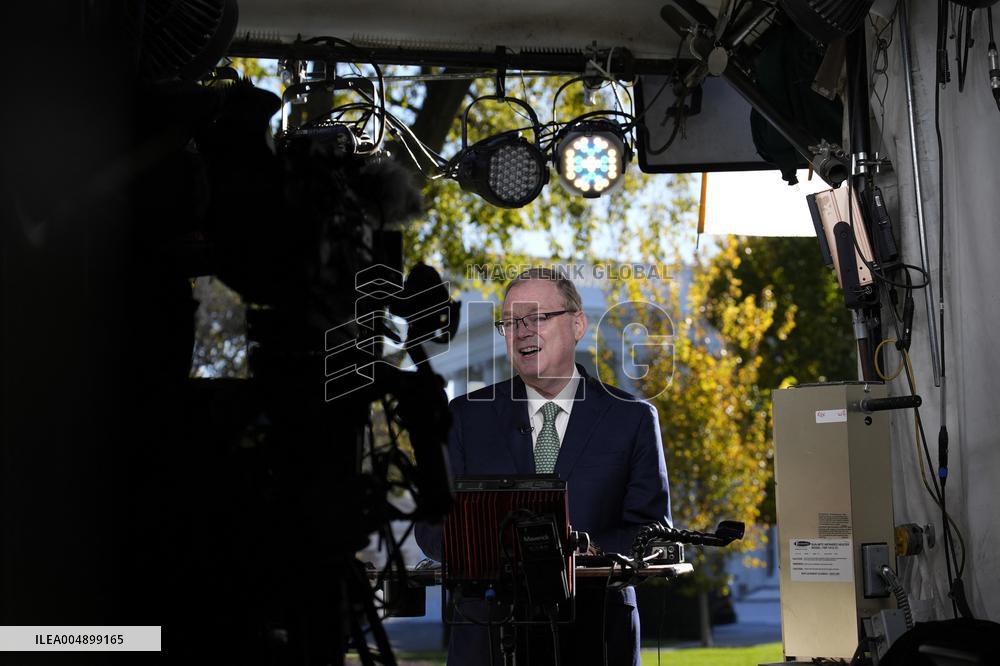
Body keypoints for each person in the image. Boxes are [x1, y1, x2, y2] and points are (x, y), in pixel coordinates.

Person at [416, 267, 671, 666]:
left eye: (536, 318)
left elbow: (653, 532)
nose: (522, 331)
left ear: (577, 324)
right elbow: (431, 525)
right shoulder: (466, 417)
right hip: (489, 641)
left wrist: (585, 552)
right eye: (511, 322)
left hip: (596, 638)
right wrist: (490, 551)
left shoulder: (632, 419)